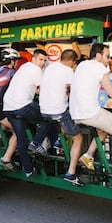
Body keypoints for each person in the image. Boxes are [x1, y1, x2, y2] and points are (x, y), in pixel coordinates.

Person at [69, 43, 112, 185]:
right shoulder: (99, 68)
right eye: (107, 56)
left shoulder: (82, 65)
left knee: (104, 129)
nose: (108, 60)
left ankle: (88, 155)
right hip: (90, 112)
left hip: (76, 113)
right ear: (98, 55)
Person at [3, 49, 55, 178]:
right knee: (48, 116)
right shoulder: (36, 70)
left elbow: (33, 88)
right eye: (40, 59)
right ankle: (36, 144)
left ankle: (28, 170)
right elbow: (43, 92)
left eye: (44, 60)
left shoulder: (24, 67)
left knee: (21, 139)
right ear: (34, 58)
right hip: (22, 105)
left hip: (9, 107)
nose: (42, 63)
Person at [39, 49, 83, 186]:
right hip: (58, 111)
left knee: (68, 116)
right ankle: (71, 173)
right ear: (71, 61)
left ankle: (59, 141)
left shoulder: (49, 68)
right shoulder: (68, 71)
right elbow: (75, 91)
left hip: (44, 111)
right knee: (78, 138)